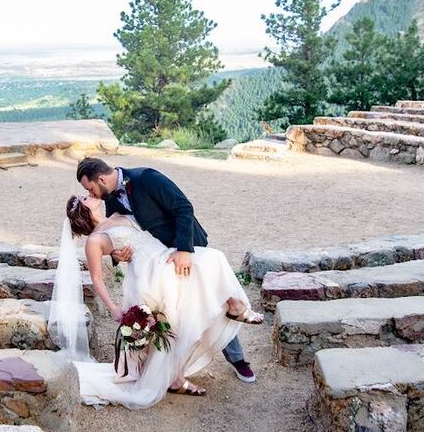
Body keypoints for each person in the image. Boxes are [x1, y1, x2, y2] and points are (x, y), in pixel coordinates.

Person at [48, 175, 263, 410]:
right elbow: (97, 278)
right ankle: (235, 311)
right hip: (150, 273)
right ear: (83, 212)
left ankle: (179, 374)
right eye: (84, 197)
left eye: (88, 190)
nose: (89, 194)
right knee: (210, 264)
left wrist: (119, 253)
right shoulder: (94, 240)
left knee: (189, 312)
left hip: (163, 258)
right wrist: (113, 308)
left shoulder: (115, 210)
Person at [78, 156, 258, 383]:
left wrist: (184, 249)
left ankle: (237, 359)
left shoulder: (146, 177)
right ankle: (173, 371)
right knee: (180, 311)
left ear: (102, 179)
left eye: (90, 188)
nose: (91, 193)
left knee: (214, 297)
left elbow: (183, 208)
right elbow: (120, 233)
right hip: (157, 263)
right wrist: (116, 255)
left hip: (185, 249)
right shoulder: (111, 198)